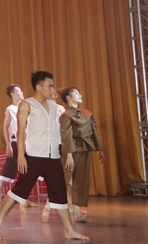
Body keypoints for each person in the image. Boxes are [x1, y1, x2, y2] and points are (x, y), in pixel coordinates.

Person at [0, 71, 90, 242]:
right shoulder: (27, 104)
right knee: (18, 192)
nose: (53, 89)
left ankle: (69, 230)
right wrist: (21, 156)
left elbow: (64, 126)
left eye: (53, 85)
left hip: (53, 156)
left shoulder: (54, 106)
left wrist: (68, 153)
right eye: (49, 85)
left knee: (60, 194)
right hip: (34, 156)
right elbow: (20, 131)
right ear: (38, 87)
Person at [59, 86, 105, 222]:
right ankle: (52, 208)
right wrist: (68, 154)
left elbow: (94, 131)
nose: (80, 95)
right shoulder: (66, 115)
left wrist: (100, 149)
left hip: (84, 149)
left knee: (81, 180)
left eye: (79, 93)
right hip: (71, 150)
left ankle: (78, 213)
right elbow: (66, 136)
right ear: (69, 97)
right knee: (63, 180)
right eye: (76, 93)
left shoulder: (87, 113)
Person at [0, 84, 28, 212]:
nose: (22, 93)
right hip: (15, 142)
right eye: (19, 91)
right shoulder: (10, 109)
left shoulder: (26, 107)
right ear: (12, 93)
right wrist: (8, 144)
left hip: (28, 142)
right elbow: (5, 126)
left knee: (27, 170)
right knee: (9, 168)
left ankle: (24, 200)